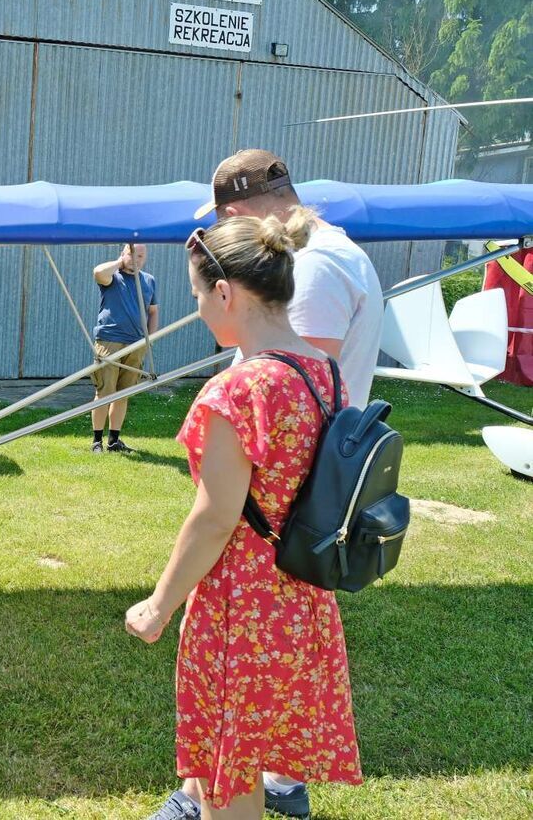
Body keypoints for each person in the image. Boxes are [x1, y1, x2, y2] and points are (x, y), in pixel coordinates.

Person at [129, 214, 362, 820]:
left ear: (226, 292)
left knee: (228, 780)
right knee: (249, 760)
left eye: (199, 296)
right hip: (301, 594)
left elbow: (215, 519)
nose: (202, 311)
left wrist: (158, 607)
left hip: (242, 603)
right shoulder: (324, 373)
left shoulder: (238, 389)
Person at [195, 149, 384, 408]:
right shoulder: (316, 257)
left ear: (233, 216)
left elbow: (296, 394)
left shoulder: (316, 265)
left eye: (222, 225)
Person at [91, 243, 160, 453]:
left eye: (141, 256)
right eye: (132, 254)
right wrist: (121, 262)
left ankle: (113, 441)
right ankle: (97, 441)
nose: (137, 259)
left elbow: (153, 312)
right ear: (123, 253)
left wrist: (150, 339)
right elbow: (97, 272)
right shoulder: (113, 277)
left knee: (123, 394)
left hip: (136, 343)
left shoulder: (149, 281)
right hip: (109, 340)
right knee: (104, 392)